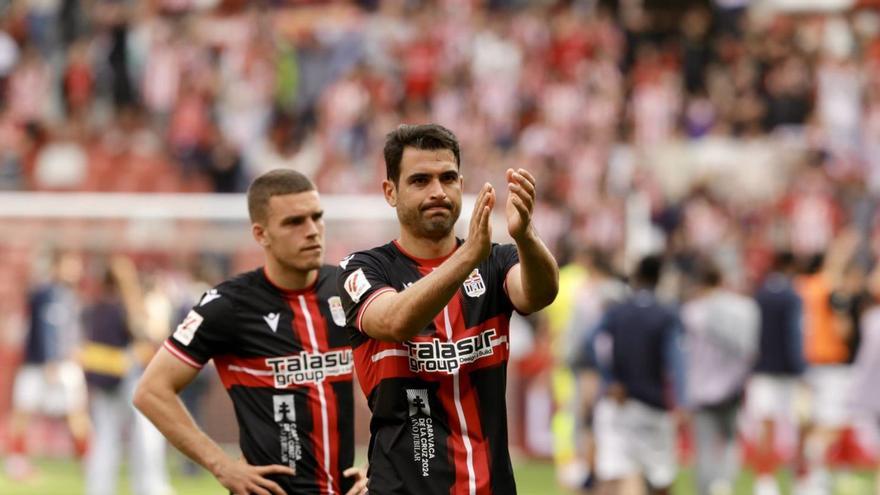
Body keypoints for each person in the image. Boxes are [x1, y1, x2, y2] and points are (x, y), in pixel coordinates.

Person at [337, 123, 559, 493]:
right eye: (420, 180)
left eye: (448, 178)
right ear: (390, 192)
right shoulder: (364, 268)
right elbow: (395, 321)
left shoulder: (496, 262)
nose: (438, 191)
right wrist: (469, 255)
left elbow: (538, 294)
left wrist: (526, 237)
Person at [134, 169, 367, 495]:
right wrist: (221, 465)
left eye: (317, 217)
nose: (312, 231)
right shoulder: (229, 304)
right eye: (294, 222)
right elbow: (151, 391)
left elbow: (400, 378)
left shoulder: (348, 289)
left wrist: (380, 465)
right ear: (261, 234)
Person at [587, 255, 685, 495]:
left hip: (618, 402)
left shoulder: (617, 311)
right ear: (659, 279)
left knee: (618, 475)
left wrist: (610, 380)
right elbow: (677, 361)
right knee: (661, 478)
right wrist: (682, 401)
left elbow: (590, 341)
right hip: (653, 404)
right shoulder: (667, 314)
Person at [80, 256, 173, 495]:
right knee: (145, 437)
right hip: (128, 379)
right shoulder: (127, 306)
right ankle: (150, 488)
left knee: (104, 439)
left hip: (103, 380)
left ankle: (99, 489)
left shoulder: (95, 307)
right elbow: (144, 339)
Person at [5, 251, 90, 480]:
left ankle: (86, 460)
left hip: (64, 363)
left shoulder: (69, 295)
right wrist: (50, 359)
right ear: (57, 266)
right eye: (70, 264)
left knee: (75, 413)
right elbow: (45, 328)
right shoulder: (44, 293)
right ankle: (17, 462)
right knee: (24, 411)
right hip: (42, 364)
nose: (75, 270)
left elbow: (68, 329)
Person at [681, 258, 759, 495]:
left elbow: (683, 354)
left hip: (701, 387)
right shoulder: (743, 307)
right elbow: (750, 349)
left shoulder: (691, 311)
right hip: (733, 386)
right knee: (729, 441)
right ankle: (724, 484)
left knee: (704, 446)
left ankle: (709, 489)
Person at [747, 251, 805, 495]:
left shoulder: (758, 295)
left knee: (765, 427)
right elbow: (794, 335)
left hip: (761, 370)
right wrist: (799, 368)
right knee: (797, 426)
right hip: (786, 372)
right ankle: (800, 480)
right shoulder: (792, 296)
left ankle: (765, 480)